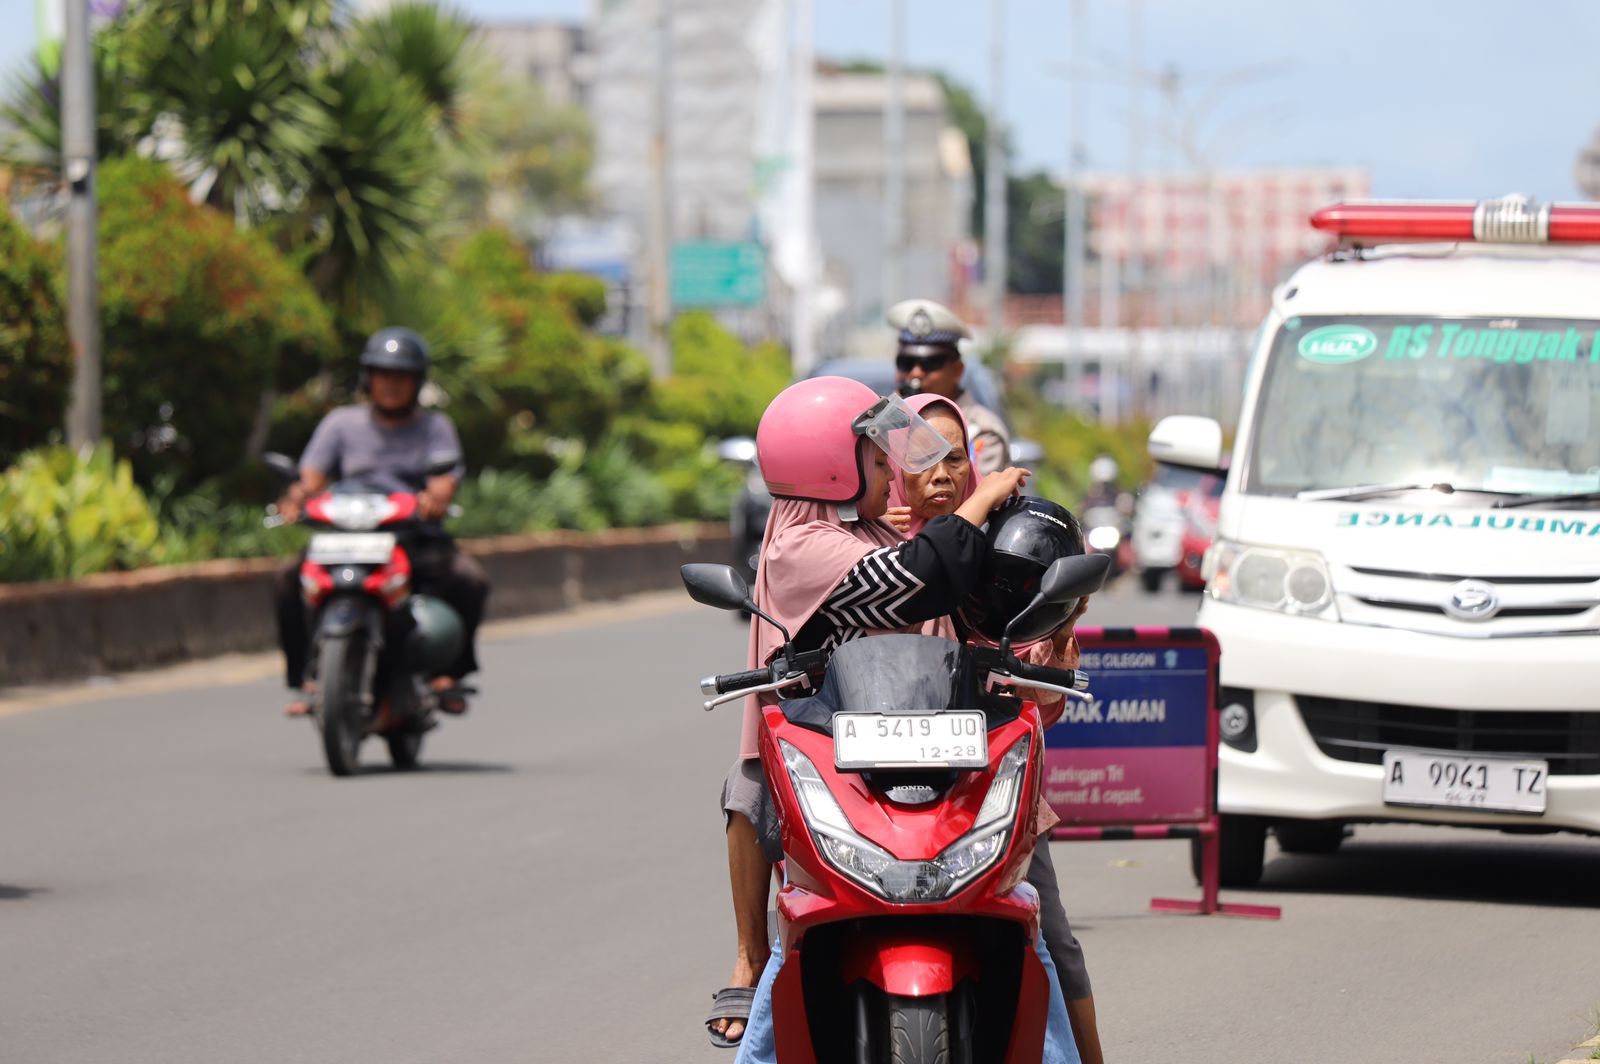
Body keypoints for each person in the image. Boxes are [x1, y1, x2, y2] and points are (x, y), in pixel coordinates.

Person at [708, 377, 1074, 1060]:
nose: (895, 469)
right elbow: (917, 578)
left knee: (1031, 925)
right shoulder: (802, 546)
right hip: (842, 769)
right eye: (878, 459)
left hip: (936, 752)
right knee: (805, 923)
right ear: (834, 466)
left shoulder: (876, 529)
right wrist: (982, 501)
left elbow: (967, 605)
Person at [889, 394, 1106, 1064]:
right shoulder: (872, 552)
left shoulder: (1003, 551)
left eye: (956, 458)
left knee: (1052, 938)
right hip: (879, 790)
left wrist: (1061, 626)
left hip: (990, 791)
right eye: (921, 457)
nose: (941, 473)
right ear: (886, 468)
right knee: (807, 923)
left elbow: (1043, 700)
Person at [272, 327, 489, 717]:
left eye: (402, 376)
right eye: (383, 374)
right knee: (289, 578)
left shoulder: (435, 427)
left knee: (468, 578)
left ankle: (449, 673)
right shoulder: (341, 423)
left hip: (411, 536)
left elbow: (443, 482)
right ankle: (306, 677)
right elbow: (310, 480)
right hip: (349, 535)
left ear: (417, 382)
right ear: (367, 378)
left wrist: (435, 499)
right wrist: (294, 500)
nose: (391, 384)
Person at [888, 298, 1011, 475]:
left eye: (930, 363)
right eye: (906, 363)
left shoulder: (980, 431)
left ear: (957, 370)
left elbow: (978, 492)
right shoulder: (886, 422)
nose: (915, 373)